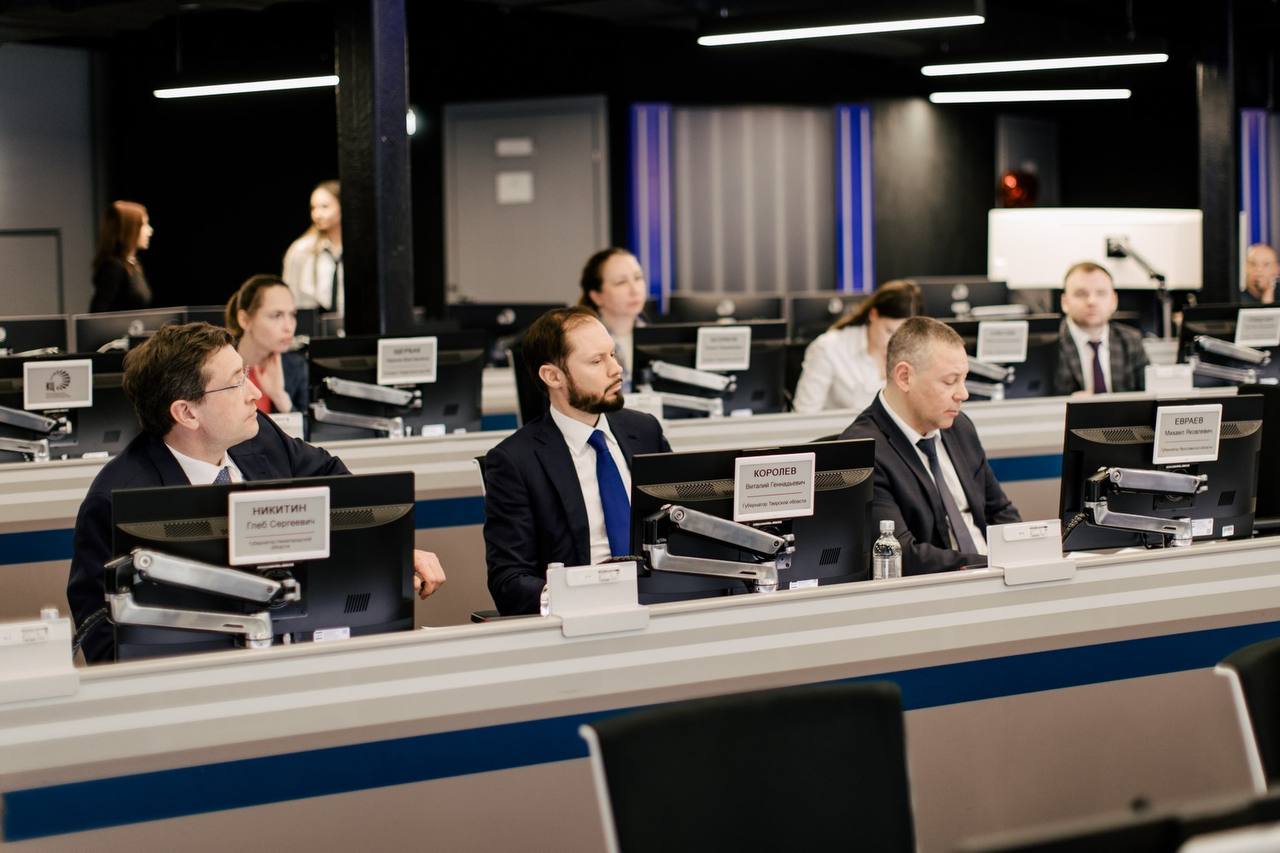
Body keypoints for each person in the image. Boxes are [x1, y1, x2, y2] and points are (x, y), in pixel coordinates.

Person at [68, 323, 445, 663]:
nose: (255, 393)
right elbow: (108, 649)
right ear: (187, 413)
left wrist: (392, 553)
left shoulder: (260, 437)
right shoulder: (115, 502)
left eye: (245, 374)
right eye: (236, 382)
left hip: (302, 656)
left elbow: (345, 496)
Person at [484, 306, 670, 615]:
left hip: (663, 603)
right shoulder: (515, 461)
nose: (616, 369)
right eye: (597, 361)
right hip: (581, 617)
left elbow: (679, 527)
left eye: (613, 355)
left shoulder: (645, 431)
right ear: (553, 376)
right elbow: (509, 580)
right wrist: (575, 593)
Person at [840, 317, 1021, 575]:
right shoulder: (862, 451)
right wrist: (989, 564)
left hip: (995, 575)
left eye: (964, 379)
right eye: (950, 381)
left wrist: (1026, 553)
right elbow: (901, 553)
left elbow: (999, 510)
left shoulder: (959, 427)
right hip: (941, 586)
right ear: (904, 377)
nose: (963, 394)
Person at [792, 279, 921, 414]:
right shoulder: (828, 347)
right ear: (873, 315)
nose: (895, 342)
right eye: (889, 331)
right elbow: (804, 415)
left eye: (903, 335)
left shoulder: (916, 351)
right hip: (842, 428)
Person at [1051, 261, 1149, 396]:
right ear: (1064, 302)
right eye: (1080, 294)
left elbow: (1148, 394)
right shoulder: (1048, 345)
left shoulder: (1131, 340)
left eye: (1101, 293)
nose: (1092, 301)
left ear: (1114, 301)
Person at [225, 274, 307, 414]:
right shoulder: (215, 366)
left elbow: (306, 427)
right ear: (244, 320)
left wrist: (280, 397)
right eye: (277, 315)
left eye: (292, 315)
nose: (289, 327)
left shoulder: (297, 366)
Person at [578, 248, 647, 390]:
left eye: (638, 278)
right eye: (621, 282)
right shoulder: (582, 342)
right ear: (597, 296)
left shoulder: (654, 336)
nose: (635, 290)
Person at [282, 180, 343, 313]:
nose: (317, 214)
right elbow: (290, 294)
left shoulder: (360, 250)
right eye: (313, 208)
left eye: (325, 207)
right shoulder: (301, 250)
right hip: (312, 321)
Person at [90, 200, 154, 313]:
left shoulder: (134, 264)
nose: (150, 231)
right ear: (130, 229)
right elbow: (98, 313)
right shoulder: (113, 267)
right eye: (145, 225)